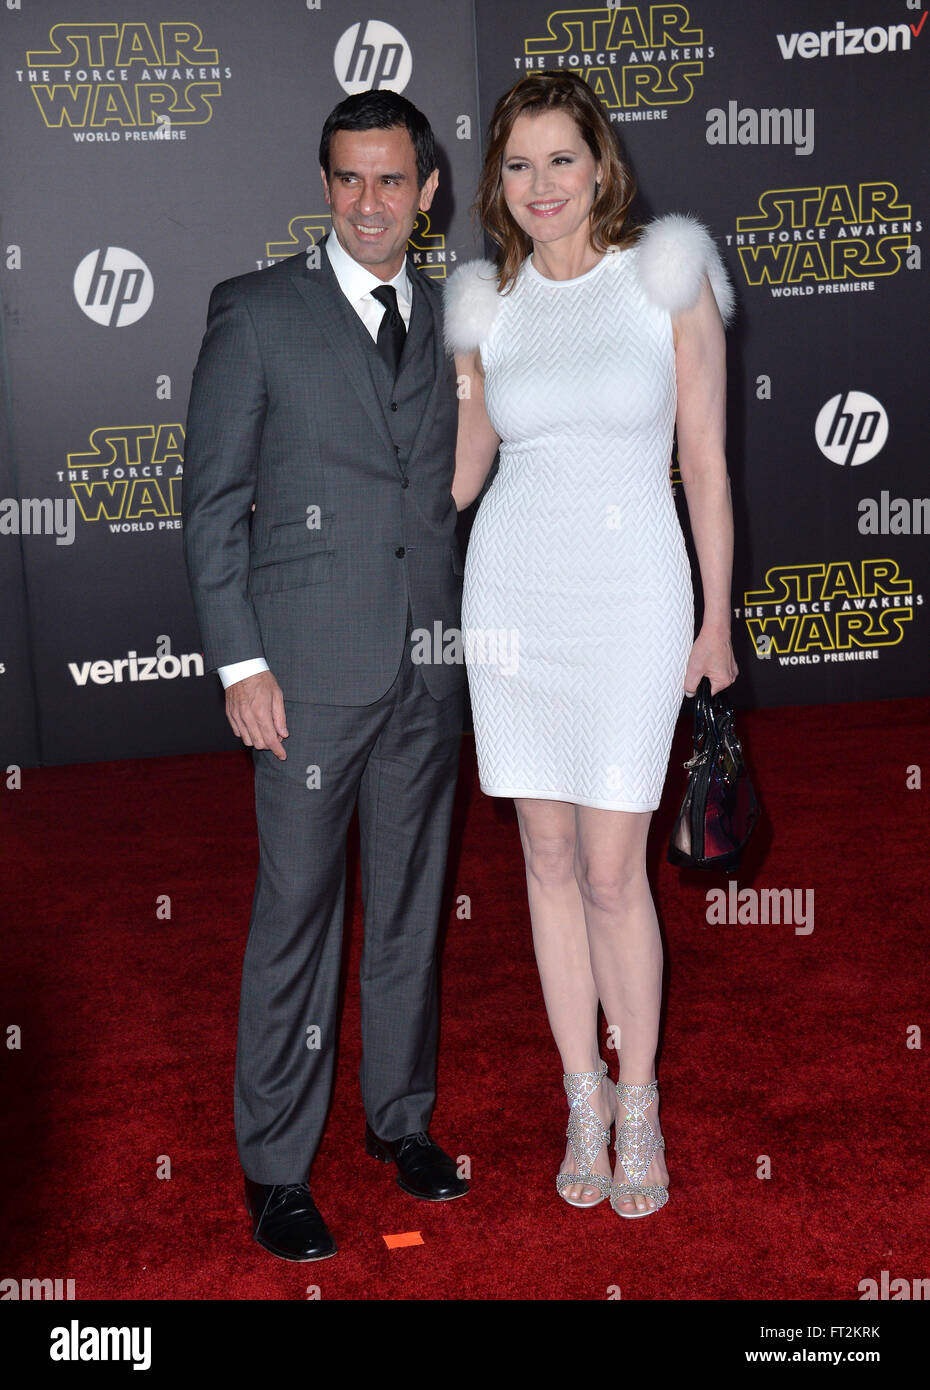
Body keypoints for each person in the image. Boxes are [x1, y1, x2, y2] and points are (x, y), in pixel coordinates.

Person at [182, 89, 469, 1263]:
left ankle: (399, 1119)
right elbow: (209, 507)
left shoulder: (459, 315)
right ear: (325, 183)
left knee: (410, 903)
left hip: (428, 666)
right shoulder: (256, 312)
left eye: (391, 180)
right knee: (299, 913)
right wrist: (241, 659)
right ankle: (277, 1166)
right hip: (302, 675)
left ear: (428, 190)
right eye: (348, 179)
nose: (368, 203)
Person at [444, 72, 737, 1218]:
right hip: (513, 597)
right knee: (545, 861)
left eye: (561, 159)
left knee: (616, 871)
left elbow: (706, 463)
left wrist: (717, 619)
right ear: (495, 183)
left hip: (632, 598)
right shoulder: (487, 306)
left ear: (600, 165)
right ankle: (581, 1094)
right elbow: (464, 473)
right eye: (518, 165)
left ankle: (640, 1093)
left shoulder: (664, 279)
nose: (541, 185)